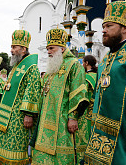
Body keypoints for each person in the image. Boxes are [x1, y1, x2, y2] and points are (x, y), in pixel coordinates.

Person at [84, 1, 126, 164]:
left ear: (125, 28)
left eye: (109, 26)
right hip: (99, 135)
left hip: (125, 137)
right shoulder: (106, 59)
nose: (103, 30)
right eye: (103, 25)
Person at [31, 28, 89, 165]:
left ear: (62, 49)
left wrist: (73, 117)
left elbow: (78, 92)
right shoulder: (53, 67)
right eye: (47, 49)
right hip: (46, 116)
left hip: (63, 120)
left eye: (51, 48)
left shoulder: (74, 65)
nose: (48, 52)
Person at [0, 30, 41, 164]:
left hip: (20, 116)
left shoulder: (31, 67)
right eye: (12, 47)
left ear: (23, 49)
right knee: (5, 143)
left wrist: (29, 114)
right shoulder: (16, 66)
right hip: (8, 114)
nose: (11, 50)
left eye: (14, 47)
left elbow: (32, 90)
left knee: (17, 147)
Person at [83, 55, 97, 133]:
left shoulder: (86, 77)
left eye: (83, 62)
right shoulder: (98, 75)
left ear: (86, 63)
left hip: (87, 109)